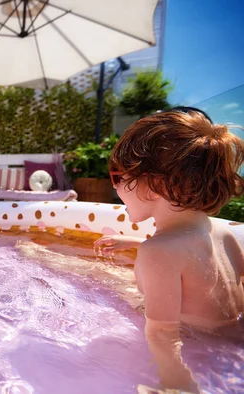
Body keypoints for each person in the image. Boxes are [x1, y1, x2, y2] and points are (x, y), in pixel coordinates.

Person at [94, 108, 244, 393]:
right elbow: (203, 268)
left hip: (200, 350)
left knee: (103, 283)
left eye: (117, 177)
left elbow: (163, 334)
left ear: (153, 185)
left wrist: (176, 384)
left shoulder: (158, 253)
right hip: (232, 342)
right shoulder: (222, 232)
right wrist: (132, 242)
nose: (115, 188)